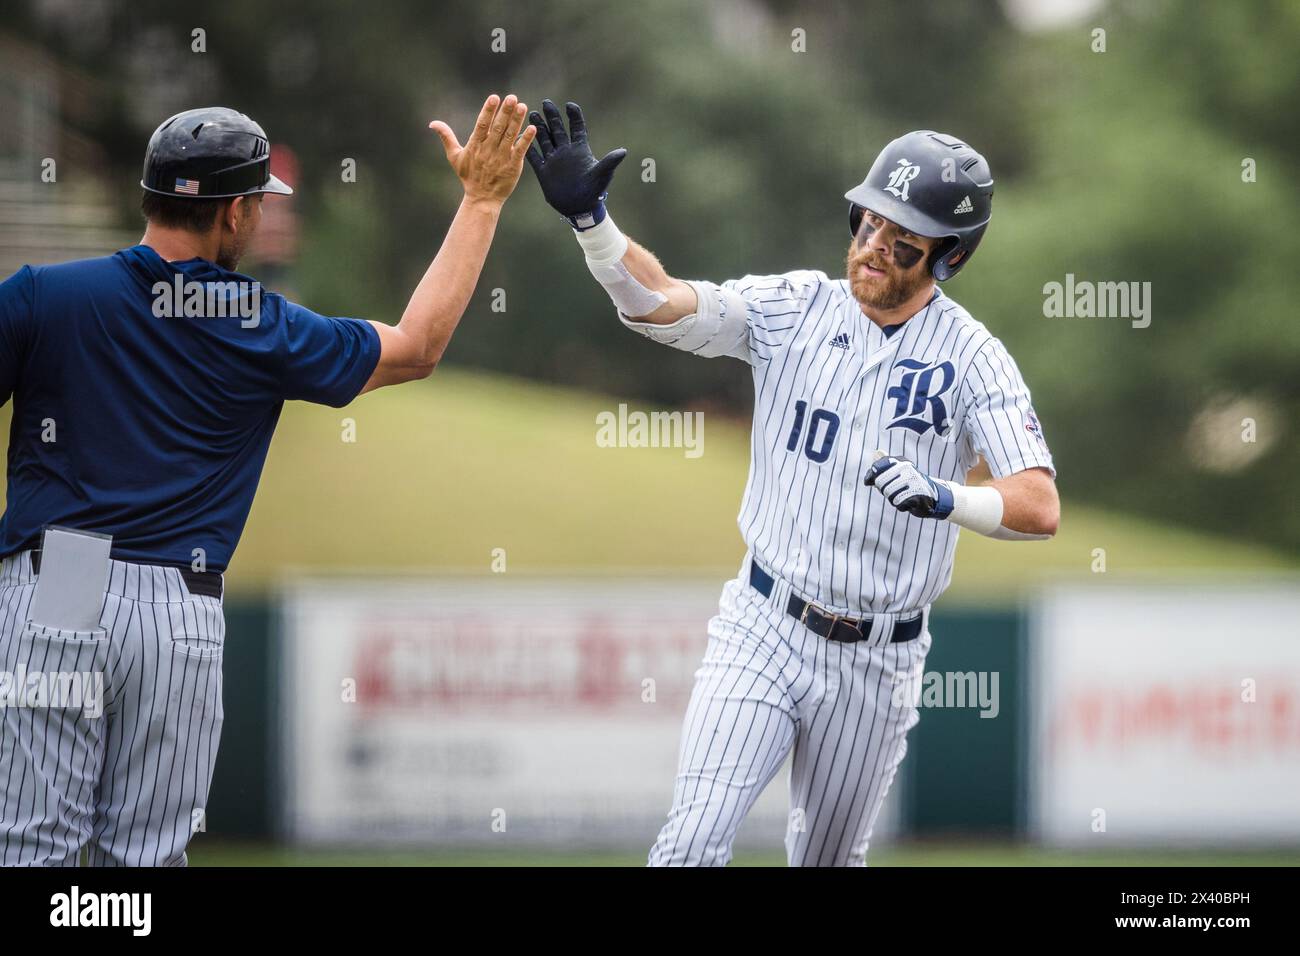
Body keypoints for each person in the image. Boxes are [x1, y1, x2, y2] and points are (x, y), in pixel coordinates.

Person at [0, 95, 535, 866]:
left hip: (56, 581)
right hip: (175, 602)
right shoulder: (261, 325)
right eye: (257, 205)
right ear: (236, 215)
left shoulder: (42, 297)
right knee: (143, 863)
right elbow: (417, 345)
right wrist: (483, 200)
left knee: (32, 857)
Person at [526, 100, 1059, 866]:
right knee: (691, 846)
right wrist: (592, 224)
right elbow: (662, 303)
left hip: (880, 657)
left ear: (951, 257)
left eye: (902, 239)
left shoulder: (976, 359)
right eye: (869, 222)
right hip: (763, 623)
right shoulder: (797, 305)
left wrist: (948, 498)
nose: (875, 247)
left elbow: (1038, 506)